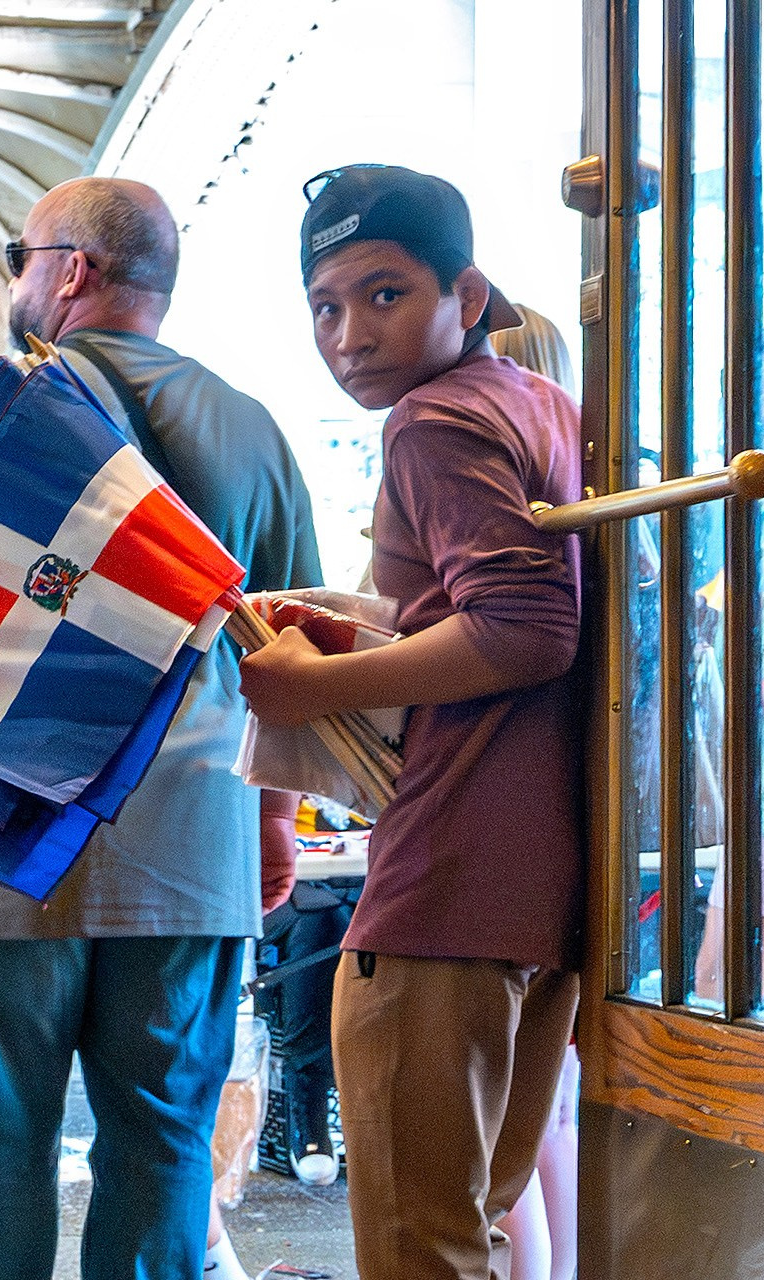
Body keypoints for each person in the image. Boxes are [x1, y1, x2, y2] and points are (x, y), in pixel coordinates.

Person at [0, 176, 322, 1280]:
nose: (18, 278)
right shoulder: (252, 429)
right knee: (163, 1138)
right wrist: (272, 824)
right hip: (191, 833)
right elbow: (295, 660)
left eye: (22, 255)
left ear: (73, 270)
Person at [240, 165, 585, 1280]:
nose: (350, 336)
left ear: (465, 295)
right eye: (325, 307)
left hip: (446, 874)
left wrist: (310, 687)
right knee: (473, 1227)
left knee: (419, 1249)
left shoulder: (431, 420)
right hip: (538, 885)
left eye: (385, 294)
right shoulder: (538, 401)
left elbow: (528, 629)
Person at [487, 306, 581, 1280]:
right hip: (584, 839)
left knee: (503, 1131)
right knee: (550, 1107)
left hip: (499, 837)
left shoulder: (504, 519)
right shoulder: (596, 506)